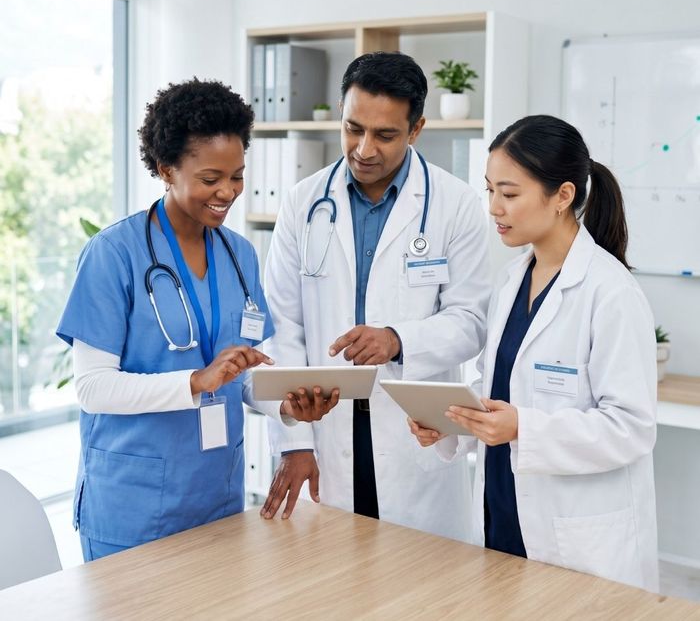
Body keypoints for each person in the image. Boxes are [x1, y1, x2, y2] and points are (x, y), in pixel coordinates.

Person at [56, 78, 337, 561]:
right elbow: (92, 388)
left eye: (237, 176)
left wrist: (289, 407)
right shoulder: (113, 255)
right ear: (167, 169)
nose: (227, 192)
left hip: (215, 496)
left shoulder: (240, 254)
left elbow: (244, 376)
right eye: (211, 179)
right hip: (134, 503)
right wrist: (194, 381)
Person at [410, 114, 658, 590]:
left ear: (562, 196)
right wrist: (448, 424)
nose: (494, 208)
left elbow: (632, 427)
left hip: (575, 535)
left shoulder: (610, 293)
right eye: (489, 191)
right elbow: (495, 388)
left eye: (509, 193)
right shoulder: (509, 284)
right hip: (504, 511)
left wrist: (525, 427)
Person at [259, 52, 490, 541]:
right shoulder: (303, 202)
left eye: (384, 135)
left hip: (413, 439)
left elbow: (471, 320)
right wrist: (294, 440)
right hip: (327, 429)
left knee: (420, 598)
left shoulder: (456, 205)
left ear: (416, 129)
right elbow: (282, 326)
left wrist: (397, 340)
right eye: (352, 128)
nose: (363, 149)